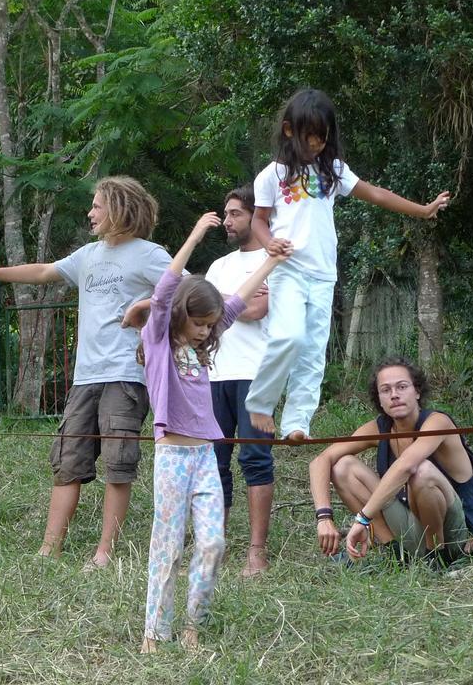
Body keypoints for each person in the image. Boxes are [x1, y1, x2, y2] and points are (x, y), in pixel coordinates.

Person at [0, 176, 168, 570]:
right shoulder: (88, 254)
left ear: (119, 208)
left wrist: (147, 307)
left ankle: (104, 553)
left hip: (125, 374)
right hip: (85, 376)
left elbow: (185, 289)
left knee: (118, 462)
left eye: (97, 205)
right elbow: (43, 273)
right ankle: (48, 549)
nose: (90, 212)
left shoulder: (149, 254)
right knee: (67, 460)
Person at [245, 89, 450, 440]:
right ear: (289, 131)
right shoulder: (272, 175)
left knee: (311, 352)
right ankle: (260, 402)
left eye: (322, 138)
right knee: (288, 336)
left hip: (323, 275)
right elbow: (258, 222)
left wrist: (423, 209)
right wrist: (269, 242)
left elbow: (376, 194)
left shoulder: (333, 171)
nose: (316, 144)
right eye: (309, 136)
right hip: (288, 271)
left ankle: (297, 423)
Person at [139, 212, 285, 652]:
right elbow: (165, 290)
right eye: (199, 323)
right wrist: (197, 232)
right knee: (167, 548)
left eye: (210, 325)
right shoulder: (160, 342)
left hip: (205, 456)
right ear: (182, 315)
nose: (206, 331)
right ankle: (154, 632)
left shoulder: (203, 344)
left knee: (214, 542)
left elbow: (237, 302)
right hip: (172, 458)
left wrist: (271, 261)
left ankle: (192, 626)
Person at [308, 356, 473, 566]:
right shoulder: (379, 428)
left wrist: (362, 519)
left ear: (417, 391)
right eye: (386, 390)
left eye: (402, 386)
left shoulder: (437, 422)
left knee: (422, 471)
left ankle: (437, 559)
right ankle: (396, 554)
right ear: (379, 399)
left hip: (455, 535)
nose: (394, 395)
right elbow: (321, 460)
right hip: (411, 527)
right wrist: (324, 518)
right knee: (343, 467)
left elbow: (407, 465)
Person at [203, 185, 276, 576]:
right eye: (226, 214)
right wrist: (236, 299)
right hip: (213, 375)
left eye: (234, 214)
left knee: (255, 460)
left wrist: (224, 301)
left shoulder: (274, 259)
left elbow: (255, 312)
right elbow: (205, 312)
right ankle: (214, 547)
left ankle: (256, 552)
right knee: (214, 462)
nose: (227, 221)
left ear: (255, 216)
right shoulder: (218, 266)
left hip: (256, 375)